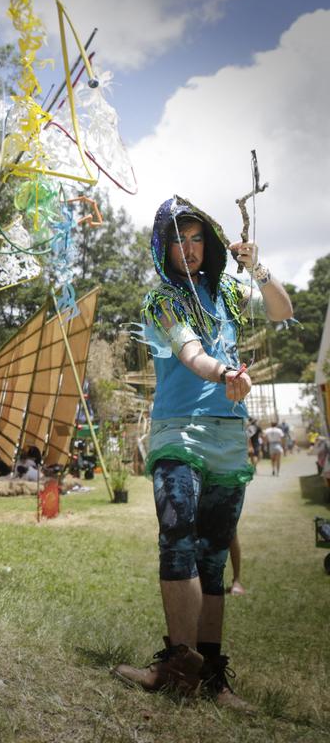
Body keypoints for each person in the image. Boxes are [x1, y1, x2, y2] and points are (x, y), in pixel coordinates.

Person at [113, 196, 292, 712]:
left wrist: (256, 265)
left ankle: (211, 676)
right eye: (178, 240)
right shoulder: (161, 301)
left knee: (214, 553)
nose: (188, 249)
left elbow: (283, 309)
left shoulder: (231, 294)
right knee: (177, 537)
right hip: (177, 431)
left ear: (209, 245)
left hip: (227, 436)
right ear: (164, 248)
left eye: (196, 239)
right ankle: (177, 663)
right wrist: (226, 373)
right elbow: (190, 352)